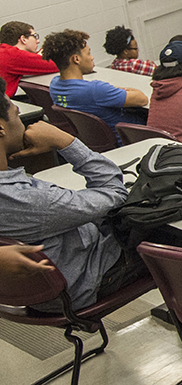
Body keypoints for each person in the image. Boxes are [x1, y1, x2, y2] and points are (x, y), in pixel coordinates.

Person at [0, 78, 144, 310]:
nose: (22, 119)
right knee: (173, 232)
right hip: (84, 281)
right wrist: (65, 142)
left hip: (37, 291)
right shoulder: (28, 199)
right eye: (16, 113)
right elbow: (115, 193)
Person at [43, 29, 148, 132]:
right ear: (76, 59)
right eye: (88, 53)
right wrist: (118, 89)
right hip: (133, 136)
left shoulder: (55, 85)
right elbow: (142, 99)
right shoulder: (95, 90)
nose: (92, 58)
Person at [0, 21, 59, 97]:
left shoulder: (5, 51)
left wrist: (36, 56)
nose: (38, 41)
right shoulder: (14, 56)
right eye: (34, 36)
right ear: (23, 39)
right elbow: (58, 64)